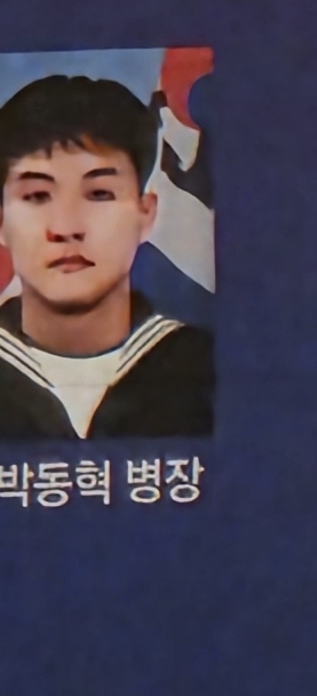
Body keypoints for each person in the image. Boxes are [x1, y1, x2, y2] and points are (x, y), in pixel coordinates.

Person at [0, 74, 210, 441]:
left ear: (146, 215)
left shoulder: (210, 369)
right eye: (36, 196)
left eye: (99, 194)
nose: (66, 227)